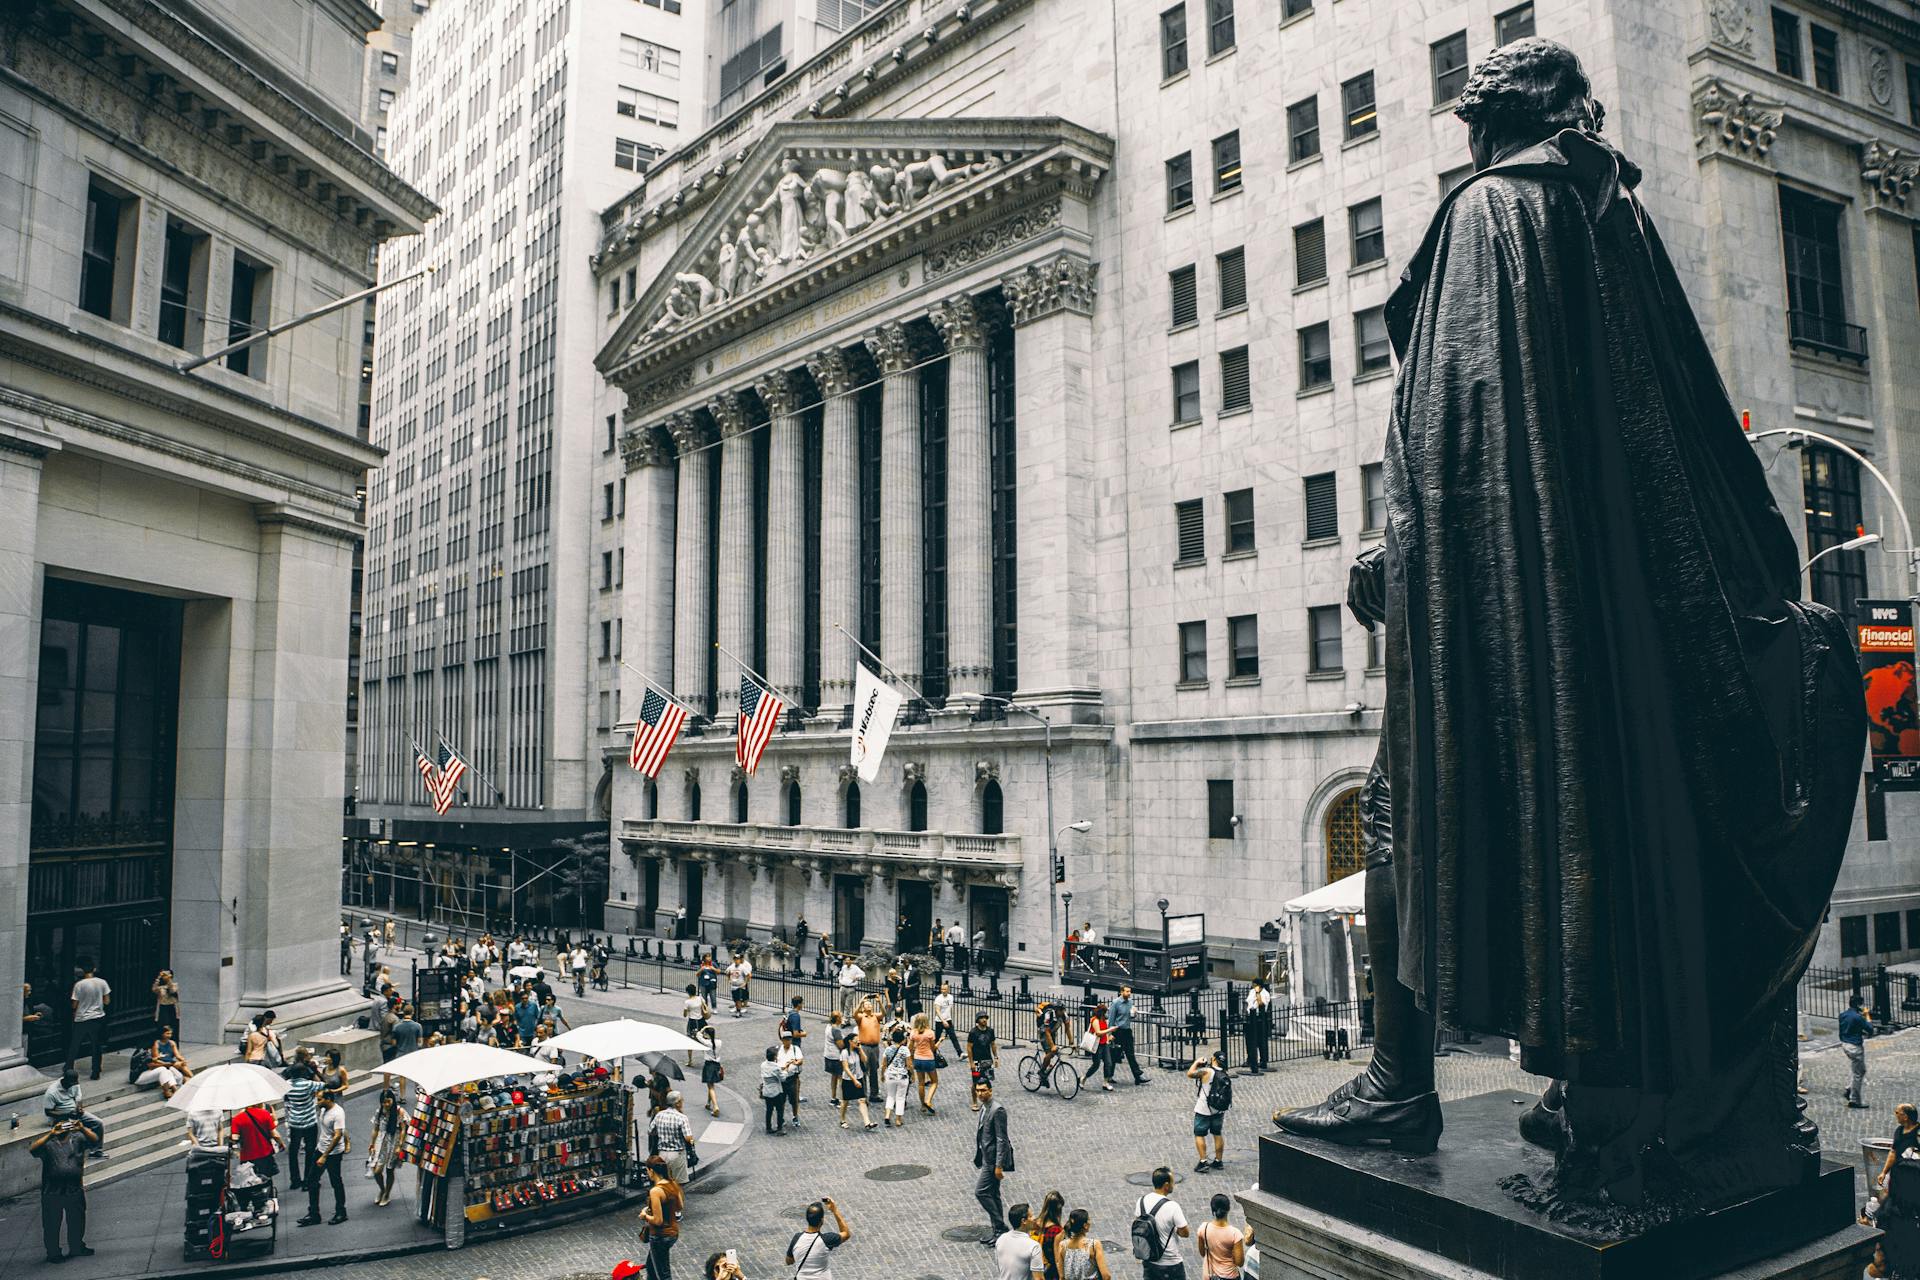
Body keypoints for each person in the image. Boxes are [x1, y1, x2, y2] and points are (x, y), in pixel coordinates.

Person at [1276, 40, 1863, 1207]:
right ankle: (1595, 1079)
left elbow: (1455, 434)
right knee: (1590, 830)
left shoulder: (1491, 216)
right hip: (1620, 625)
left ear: (1489, 125)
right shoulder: (1609, 212)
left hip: (1507, 620)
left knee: (1399, 806)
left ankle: (1404, 1077)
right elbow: (1654, 424)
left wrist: (1403, 552)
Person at [32, 1115, 95, 1263]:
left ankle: (77, 1246)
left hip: (73, 1188)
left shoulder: (78, 1139)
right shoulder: (48, 1143)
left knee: (77, 1219)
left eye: (66, 1124)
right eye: (60, 1124)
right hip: (52, 1191)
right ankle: (53, 1252)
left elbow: (95, 1141)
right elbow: (33, 1149)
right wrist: (51, 1134)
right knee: (51, 1222)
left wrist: (82, 1128)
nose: (63, 1127)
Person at [974, 1077, 1015, 1238]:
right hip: (986, 1157)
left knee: (981, 1192)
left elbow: (1001, 1139)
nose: (980, 1093)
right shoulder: (984, 1107)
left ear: (990, 1090)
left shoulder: (997, 1110)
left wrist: (998, 1165)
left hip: (992, 1161)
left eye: (983, 1090)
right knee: (993, 1194)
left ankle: (1000, 1226)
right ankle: (998, 1231)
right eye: (978, 1090)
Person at [1135, 1167, 1191, 1280]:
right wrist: (1174, 1229)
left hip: (1149, 1260)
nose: (1173, 1185)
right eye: (1172, 1182)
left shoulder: (1140, 1201)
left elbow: (1139, 1223)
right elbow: (1185, 1232)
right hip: (1171, 1263)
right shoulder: (1173, 1206)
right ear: (1166, 1185)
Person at [639, 1153, 684, 1280]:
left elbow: (658, 1221)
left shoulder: (655, 1191)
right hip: (673, 1232)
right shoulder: (672, 1184)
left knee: (663, 1274)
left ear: (651, 1170)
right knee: (651, 1266)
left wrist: (645, 1216)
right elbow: (679, 1207)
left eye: (647, 1170)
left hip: (660, 1235)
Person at [42, 1070, 105, 1156]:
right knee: (75, 1133)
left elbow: (78, 1098)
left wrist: (79, 1108)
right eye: (70, 1084)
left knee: (98, 1122)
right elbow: (48, 1112)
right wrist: (67, 1114)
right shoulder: (52, 1092)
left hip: (74, 1112)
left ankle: (96, 1150)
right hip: (60, 1116)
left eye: (74, 1084)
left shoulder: (74, 1084)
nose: (72, 1086)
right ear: (65, 1080)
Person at [65, 961, 110, 1079]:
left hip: (82, 1018)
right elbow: (107, 1001)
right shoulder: (102, 982)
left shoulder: (79, 985)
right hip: (97, 1017)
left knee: (74, 1044)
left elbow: (74, 1004)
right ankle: (96, 1071)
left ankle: (68, 1068)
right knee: (96, 1045)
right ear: (94, 969)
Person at [785, 1197, 850, 1279]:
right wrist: (834, 1210)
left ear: (807, 1219)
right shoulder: (827, 1240)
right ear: (822, 1221)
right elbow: (846, 1233)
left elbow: (789, 1261)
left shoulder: (797, 1238)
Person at [281, 1061, 322, 1190]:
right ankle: (308, 1181)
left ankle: (295, 1180)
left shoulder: (287, 1085)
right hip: (309, 1122)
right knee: (310, 1151)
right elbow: (324, 1084)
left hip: (294, 1122)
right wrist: (314, 1071)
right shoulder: (308, 1084)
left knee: (293, 1151)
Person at [1188, 1051, 1229, 1172]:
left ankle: (1203, 1161)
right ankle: (1218, 1160)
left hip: (1204, 1109)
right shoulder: (1224, 1073)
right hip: (1219, 1109)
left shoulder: (1207, 1071)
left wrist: (1196, 1062)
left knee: (1199, 1134)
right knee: (1217, 1133)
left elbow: (1190, 1073)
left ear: (1214, 1059)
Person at [1196, 1193, 1253, 1278]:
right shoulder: (1235, 1234)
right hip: (1229, 1276)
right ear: (1228, 1209)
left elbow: (1202, 1253)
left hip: (1210, 1275)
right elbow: (1239, 1262)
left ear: (1212, 1210)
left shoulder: (1203, 1228)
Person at [368, 1088, 406, 1207]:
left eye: (388, 1101)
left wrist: (400, 1145)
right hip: (381, 1141)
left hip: (394, 1142)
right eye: (384, 1102)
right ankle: (382, 1189)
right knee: (376, 1170)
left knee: (390, 1170)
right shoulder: (379, 1111)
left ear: (393, 1100)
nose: (386, 1104)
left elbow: (403, 1129)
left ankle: (387, 1194)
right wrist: (372, 1143)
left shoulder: (399, 1111)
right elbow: (375, 1128)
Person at [652, 1090, 696, 1185]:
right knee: (678, 1184)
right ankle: (676, 1199)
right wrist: (692, 1142)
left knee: (664, 1182)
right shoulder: (682, 1118)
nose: (682, 1102)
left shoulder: (659, 1115)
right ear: (677, 1103)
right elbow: (688, 1138)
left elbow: (651, 1131)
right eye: (681, 1100)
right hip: (677, 1154)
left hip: (662, 1154)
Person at [230, 1097, 280, 1179]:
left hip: (247, 1157)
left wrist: (236, 1151)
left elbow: (234, 1139)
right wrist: (281, 1143)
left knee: (251, 1181)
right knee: (267, 1179)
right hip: (265, 1153)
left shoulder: (237, 1119)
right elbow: (274, 1134)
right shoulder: (265, 1113)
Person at [1055, 1208, 1112, 1280]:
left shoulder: (1062, 1245)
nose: (1090, 1222)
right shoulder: (1094, 1245)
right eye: (1089, 1219)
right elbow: (1106, 1276)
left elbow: (1062, 1277)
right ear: (1085, 1225)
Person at [1109, 986, 1150, 1085]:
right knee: (1114, 1055)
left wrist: (1134, 1013)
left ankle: (1138, 1076)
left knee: (1130, 1054)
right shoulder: (1116, 1003)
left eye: (1130, 991)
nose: (1129, 993)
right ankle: (1109, 1076)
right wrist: (1109, 1034)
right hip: (1118, 1031)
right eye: (1127, 991)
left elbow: (1131, 1016)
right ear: (1121, 992)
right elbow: (1111, 1019)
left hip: (1127, 1031)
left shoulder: (1130, 1002)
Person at [994, 1202, 1046, 1280]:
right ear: (1023, 1221)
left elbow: (1001, 1268)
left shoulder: (1001, 1239)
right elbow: (1039, 1278)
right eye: (1031, 1216)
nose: (1034, 1218)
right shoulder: (1033, 1246)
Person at [140, 1023, 191, 1097]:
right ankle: (171, 1090)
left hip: (169, 1062)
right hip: (162, 1063)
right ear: (162, 1034)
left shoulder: (172, 1043)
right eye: (167, 1033)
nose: (169, 1035)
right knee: (166, 1070)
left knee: (182, 1065)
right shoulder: (156, 1044)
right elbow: (155, 1059)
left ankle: (192, 1078)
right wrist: (166, 1063)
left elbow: (177, 1054)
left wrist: (182, 1059)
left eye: (170, 1033)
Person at [837, 1034, 876, 1130]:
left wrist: (860, 1049)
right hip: (848, 1080)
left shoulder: (857, 1051)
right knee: (845, 1102)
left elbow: (865, 1060)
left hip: (859, 1077)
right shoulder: (845, 1053)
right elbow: (846, 1068)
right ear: (850, 1041)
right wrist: (854, 1080)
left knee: (862, 1100)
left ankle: (867, 1122)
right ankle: (842, 1119)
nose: (858, 1042)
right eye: (855, 1040)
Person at [1843, 995, 1873, 1110]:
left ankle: (1849, 1088)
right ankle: (1854, 1100)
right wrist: (1867, 1015)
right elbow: (1870, 1028)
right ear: (1858, 1005)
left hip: (1845, 1044)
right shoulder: (1858, 1017)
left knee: (1858, 1069)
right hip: (1855, 1047)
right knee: (1858, 1073)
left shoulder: (1843, 1015)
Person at [909, 1012, 941, 1113]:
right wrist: (940, 1041)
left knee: (921, 1083)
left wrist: (911, 1059)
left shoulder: (913, 1032)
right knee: (934, 1082)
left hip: (918, 1059)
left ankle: (922, 1105)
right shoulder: (930, 1033)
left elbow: (910, 1048)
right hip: (928, 1059)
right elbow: (933, 1048)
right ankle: (928, 1100)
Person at [968, 1012, 1000, 1110]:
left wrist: (996, 1057)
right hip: (977, 1061)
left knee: (987, 1081)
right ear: (977, 1020)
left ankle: (987, 1100)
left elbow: (993, 1044)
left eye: (985, 1018)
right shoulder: (973, 1032)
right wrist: (971, 1062)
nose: (984, 1020)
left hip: (987, 1060)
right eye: (981, 1018)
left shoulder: (990, 1031)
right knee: (975, 1082)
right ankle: (974, 1102)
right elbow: (969, 1047)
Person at [881, 1027, 912, 1127]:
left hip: (890, 1075)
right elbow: (909, 1065)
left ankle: (887, 1115)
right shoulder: (905, 1050)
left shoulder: (888, 1049)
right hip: (902, 1076)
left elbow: (884, 1064)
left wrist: (882, 1075)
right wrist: (913, 1075)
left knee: (890, 1096)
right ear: (903, 1039)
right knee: (900, 1098)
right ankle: (898, 1120)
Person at [853, 995, 884, 1088]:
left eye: (870, 1004)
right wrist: (861, 1001)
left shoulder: (876, 1016)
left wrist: (879, 1002)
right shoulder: (861, 1017)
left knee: (874, 1070)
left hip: (875, 1047)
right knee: (864, 1070)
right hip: (864, 1047)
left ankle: (874, 1094)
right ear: (863, 1007)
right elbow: (854, 1014)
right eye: (867, 1004)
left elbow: (884, 1013)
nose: (869, 1005)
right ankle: (863, 1094)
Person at [1036, 1190, 1067, 1280]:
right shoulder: (1057, 1231)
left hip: (1036, 1265)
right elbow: (1057, 1258)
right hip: (1050, 1270)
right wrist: (1062, 1276)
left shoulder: (1035, 1223)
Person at [1243, 980, 1271, 1075]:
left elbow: (1261, 1004)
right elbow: (1247, 1002)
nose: (1253, 986)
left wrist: (1258, 993)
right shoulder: (1251, 992)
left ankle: (1263, 1060)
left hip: (1259, 1018)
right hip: (1250, 1016)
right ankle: (1250, 1059)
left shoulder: (1265, 994)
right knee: (1249, 1040)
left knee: (1260, 1040)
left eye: (1254, 985)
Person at [778, 1030, 806, 1125]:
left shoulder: (795, 1049)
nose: (788, 1041)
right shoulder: (778, 1050)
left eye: (789, 1039)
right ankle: (781, 1118)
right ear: (782, 1040)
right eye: (786, 1040)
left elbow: (800, 1060)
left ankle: (795, 1116)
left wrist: (795, 1062)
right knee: (781, 1100)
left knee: (794, 1099)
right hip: (781, 1079)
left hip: (792, 1078)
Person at [760, 1046, 788, 1134]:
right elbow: (782, 1078)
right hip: (776, 1091)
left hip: (767, 1091)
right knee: (780, 1110)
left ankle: (768, 1127)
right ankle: (779, 1128)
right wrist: (786, 1071)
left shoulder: (763, 1065)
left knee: (769, 1110)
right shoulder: (776, 1067)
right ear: (775, 1057)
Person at [1087, 1003, 1115, 1092]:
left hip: (1104, 1044)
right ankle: (1083, 1078)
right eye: (1105, 1012)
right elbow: (1098, 1033)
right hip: (1097, 1045)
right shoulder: (1095, 1020)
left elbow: (1104, 1032)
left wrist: (1108, 1037)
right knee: (1096, 1064)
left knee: (1108, 1063)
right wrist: (1110, 1030)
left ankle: (1105, 1083)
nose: (1106, 1014)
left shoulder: (1104, 1020)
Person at [682, 984, 711, 1068]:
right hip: (701, 1021)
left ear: (688, 992)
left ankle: (690, 1060)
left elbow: (684, 1014)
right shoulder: (700, 998)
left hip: (692, 1022)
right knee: (704, 1040)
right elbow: (704, 1007)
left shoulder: (687, 1002)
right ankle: (707, 1059)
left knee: (690, 1041)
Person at [699, 1026, 724, 1117]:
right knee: (711, 1085)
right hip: (717, 1065)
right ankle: (708, 1103)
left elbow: (698, 1035)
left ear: (707, 1034)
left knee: (710, 1087)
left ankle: (715, 1106)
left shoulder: (706, 1043)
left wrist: (703, 1028)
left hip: (709, 1065)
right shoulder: (719, 1042)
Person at [935, 980, 963, 1058]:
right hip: (939, 1021)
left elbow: (948, 1009)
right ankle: (932, 1052)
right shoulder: (938, 999)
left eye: (945, 989)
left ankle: (960, 1053)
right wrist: (943, 1021)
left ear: (948, 990)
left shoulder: (951, 997)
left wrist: (948, 1019)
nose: (943, 991)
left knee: (953, 1036)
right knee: (937, 1038)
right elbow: (937, 1010)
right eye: (942, 989)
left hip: (948, 1020)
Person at [151, 969, 180, 1037]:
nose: (165, 976)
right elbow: (154, 989)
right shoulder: (160, 987)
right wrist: (158, 977)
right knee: (162, 1026)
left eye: (166, 975)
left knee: (172, 1026)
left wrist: (169, 980)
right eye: (164, 975)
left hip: (172, 1007)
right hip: (163, 1007)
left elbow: (172, 990)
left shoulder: (174, 985)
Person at [727, 952, 752, 1017]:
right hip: (733, 985)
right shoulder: (731, 967)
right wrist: (729, 980)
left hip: (740, 986)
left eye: (738, 959)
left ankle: (738, 1011)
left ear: (740, 960)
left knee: (738, 999)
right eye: (735, 959)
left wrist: (745, 983)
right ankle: (738, 1009)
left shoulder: (743, 967)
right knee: (735, 999)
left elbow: (748, 975)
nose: (736, 961)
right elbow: (727, 972)